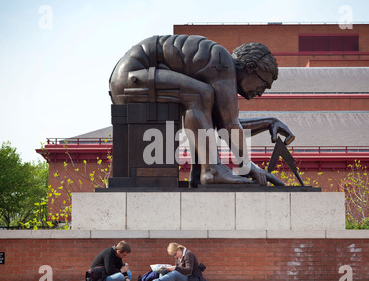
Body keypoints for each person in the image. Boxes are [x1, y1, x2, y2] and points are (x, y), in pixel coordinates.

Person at [109, 35, 295, 186]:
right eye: (263, 84)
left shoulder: (218, 67)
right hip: (131, 77)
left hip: (133, 78)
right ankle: (211, 170)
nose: (261, 92)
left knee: (200, 98)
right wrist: (246, 165)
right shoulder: (222, 63)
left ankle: (200, 174)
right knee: (199, 95)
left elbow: (222, 124)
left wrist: (268, 122)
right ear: (250, 67)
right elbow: (228, 125)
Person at [139, 242, 210, 281]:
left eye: (174, 254)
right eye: (172, 256)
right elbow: (179, 269)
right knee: (162, 271)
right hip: (182, 279)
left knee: (175, 273)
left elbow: (189, 271)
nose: (174, 257)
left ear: (179, 249)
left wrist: (175, 268)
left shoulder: (188, 254)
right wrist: (168, 269)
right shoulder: (178, 258)